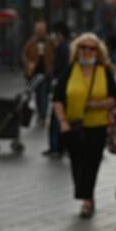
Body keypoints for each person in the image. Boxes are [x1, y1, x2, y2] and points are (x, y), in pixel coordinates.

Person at [52, 33, 116, 219]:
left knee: (91, 163)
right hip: (73, 126)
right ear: (77, 49)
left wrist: (96, 104)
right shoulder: (70, 69)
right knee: (77, 163)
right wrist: (63, 122)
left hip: (97, 125)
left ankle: (87, 200)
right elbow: (57, 98)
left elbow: (114, 98)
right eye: (83, 47)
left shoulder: (104, 71)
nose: (87, 51)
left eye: (91, 48)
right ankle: (86, 194)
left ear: (98, 51)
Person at [44, 22, 71, 158]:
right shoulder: (63, 47)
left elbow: (62, 67)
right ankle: (59, 146)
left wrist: (55, 80)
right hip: (61, 86)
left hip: (60, 87)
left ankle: (56, 147)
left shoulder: (63, 47)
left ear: (60, 34)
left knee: (56, 118)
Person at [21, 21, 55, 126]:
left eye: (41, 29)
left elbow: (55, 55)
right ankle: (41, 115)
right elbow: (24, 55)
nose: (39, 31)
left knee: (43, 94)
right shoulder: (31, 42)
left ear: (45, 30)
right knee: (37, 95)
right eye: (38, 29)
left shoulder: (50, 41)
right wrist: (28, 64)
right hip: (34, 73)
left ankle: (43, 116)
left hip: (45, 72)